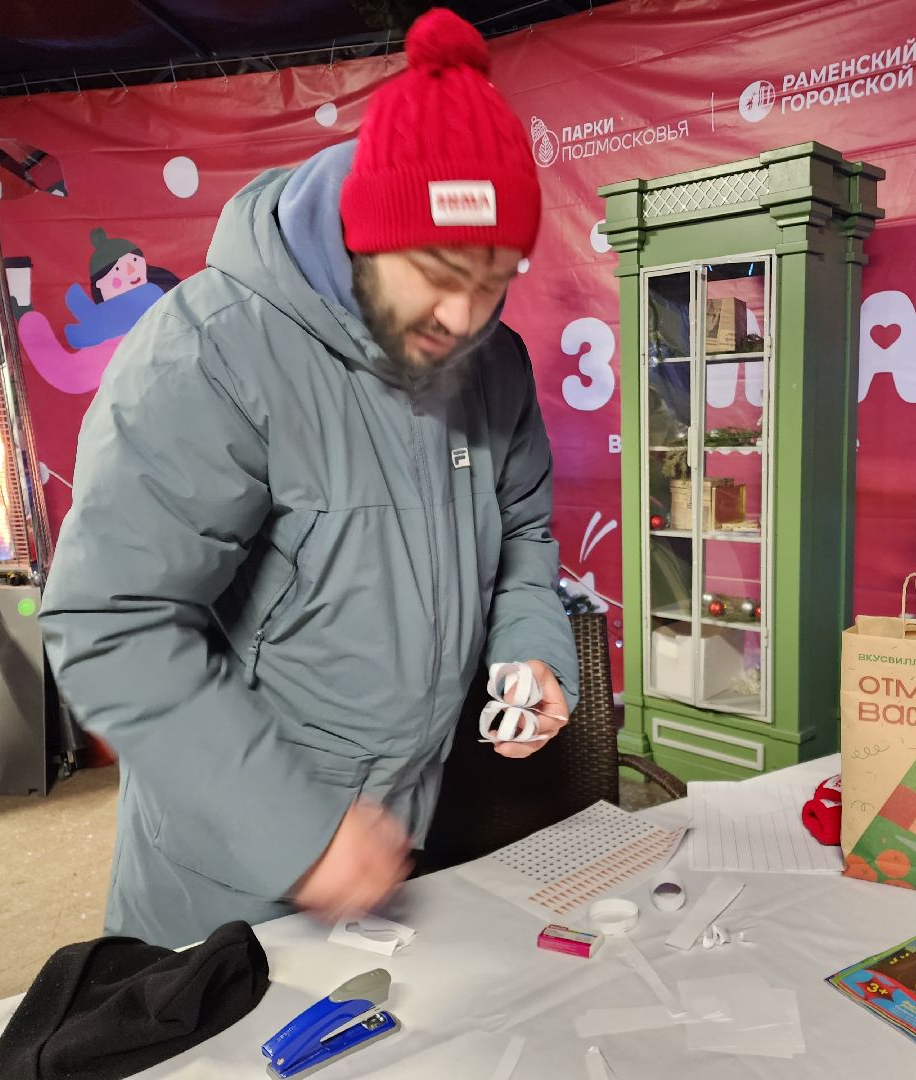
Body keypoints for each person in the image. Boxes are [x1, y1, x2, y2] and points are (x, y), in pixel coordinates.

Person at [39, 8, 579, 948]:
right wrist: (299, 836)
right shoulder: (210, 351)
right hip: (230, 862)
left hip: (405, 834)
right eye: (440, 269)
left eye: (495, 277)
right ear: (367, 235)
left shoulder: (498, 368)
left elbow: (523, 539)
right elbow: (108, 619)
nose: (464, 314)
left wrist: (533, 652)